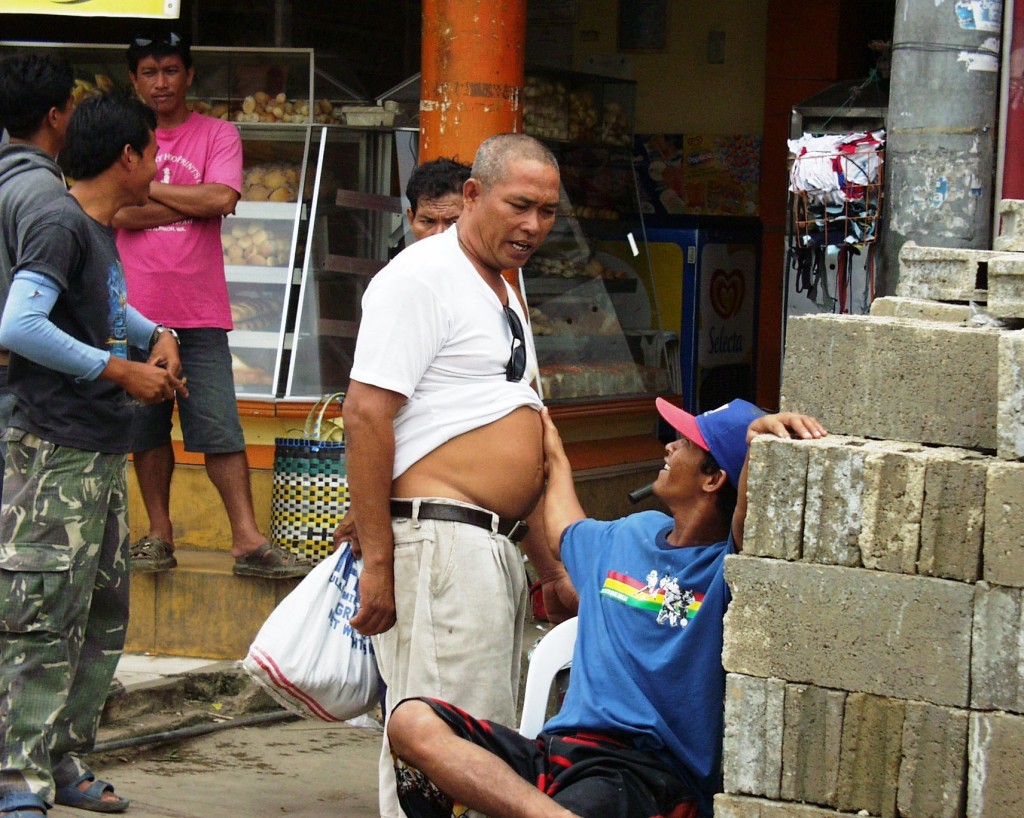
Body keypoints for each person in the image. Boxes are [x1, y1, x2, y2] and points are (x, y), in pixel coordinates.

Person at [385, 398, 828, 818]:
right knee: (411, 722)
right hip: (558, 753)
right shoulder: (632, 532)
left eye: (688, 443)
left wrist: (755, 448)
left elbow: (747, 523)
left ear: (714, 479)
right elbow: (563, 529)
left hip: (644, 774)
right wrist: (555, 459)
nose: (669, 446)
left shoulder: (726, 569)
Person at [342, 132, 579, 818]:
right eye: (519, 205)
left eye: (548, 212)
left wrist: (547, 567)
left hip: (489, 549)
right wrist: (379, 558)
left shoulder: (504, 290)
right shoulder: (421, 277)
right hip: (440, 549)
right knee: (443, 753)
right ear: (473, 195)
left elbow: (518, 425)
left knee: (485, 749)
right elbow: (365, 416)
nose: (533, 225)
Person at [0, 91, 187, 818]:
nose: (157, 165)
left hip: (96, 454)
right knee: (40, 619)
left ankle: (62, 760)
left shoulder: (91, 226)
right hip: (53, 456)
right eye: (151, 151)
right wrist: (120, 370)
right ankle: (18, 779)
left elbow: (96, 308)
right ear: (127, 158)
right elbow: (19, 323)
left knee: (100, 616)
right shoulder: (58, 220)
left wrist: (152, 332)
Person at [113, 30, 307, 578]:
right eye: (149, 73)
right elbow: (118, 214)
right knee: (145, 431)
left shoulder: (218, 133)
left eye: (170, 70)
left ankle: (247, 542)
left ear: (189, 75)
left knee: (219, 427)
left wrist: (148, 192)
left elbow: (223, 198)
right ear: (134, 80)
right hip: (134, 310)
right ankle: (158, 535)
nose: (160, 82)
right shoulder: (125, 136)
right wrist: (190, 204)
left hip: (199, 311)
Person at [0, 53, 75, 501]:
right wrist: (114, 368)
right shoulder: (42, 191)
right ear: (54, 116)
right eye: (70, 106)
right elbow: (24, 322)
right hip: (16, 379)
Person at [404, 156, 471, 242]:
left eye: (453, 222)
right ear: (411, 218)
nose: (439, 233)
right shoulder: (405, 256)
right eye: (428, 221)